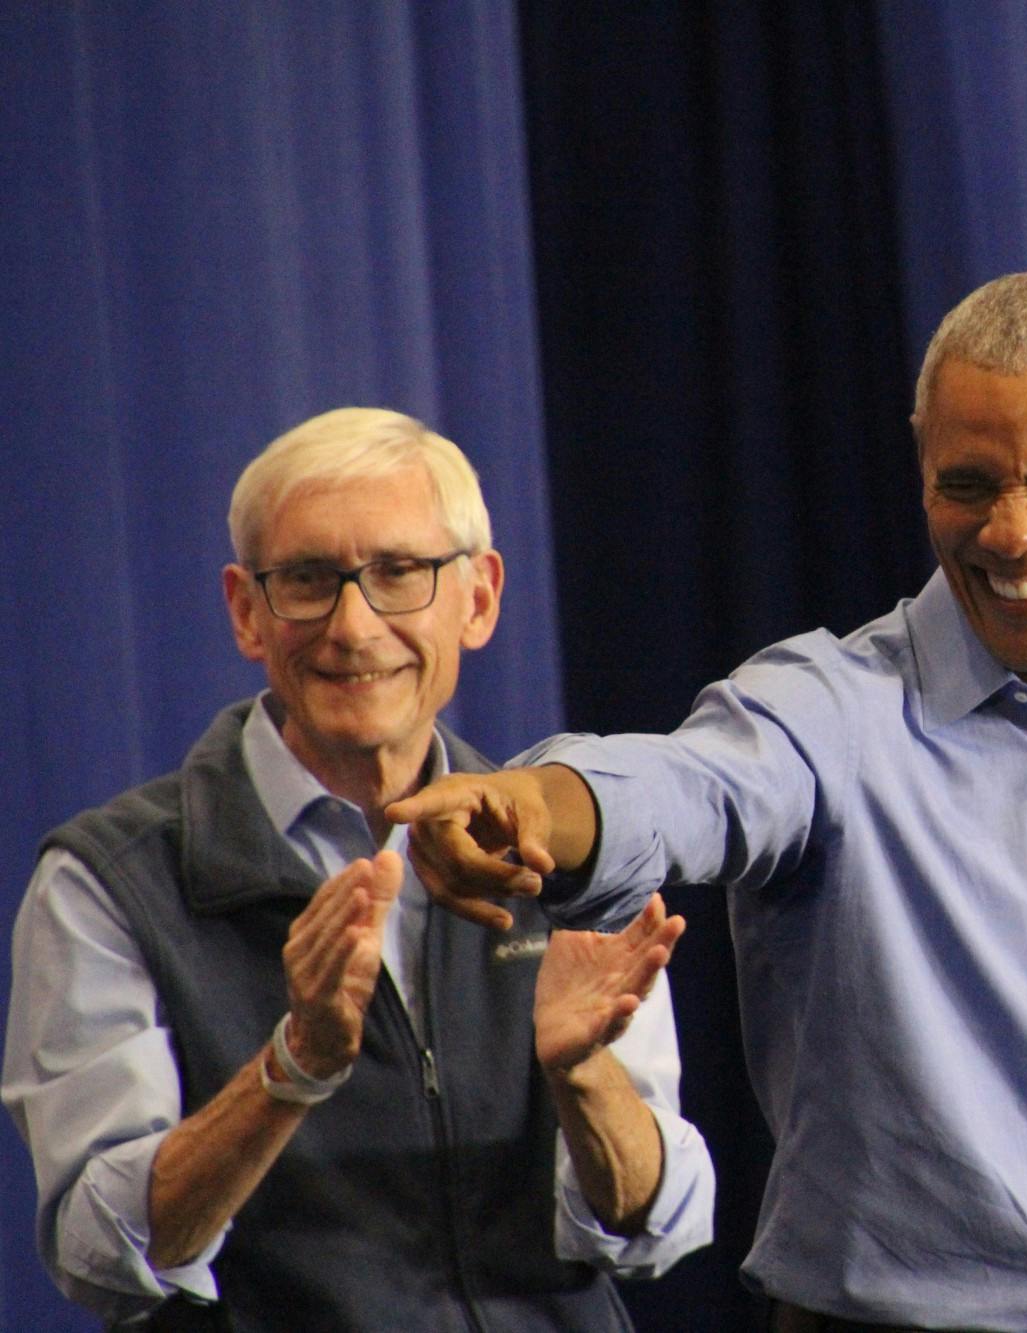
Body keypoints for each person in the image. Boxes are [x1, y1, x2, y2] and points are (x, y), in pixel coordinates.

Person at [387, 272, 1027, 1332]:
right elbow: (687, 785)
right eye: (965, 485)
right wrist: (535, 808)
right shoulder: (828, 712)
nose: (1009, 532)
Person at [2, 409, 714, 1330]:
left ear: (481, 598)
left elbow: (654, 1223)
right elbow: (102, 1250)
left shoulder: (559, 847)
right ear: (246, 612)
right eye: (307, 580)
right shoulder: (112, 880)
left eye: (398, 574)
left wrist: (583, 1075)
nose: (352, 624)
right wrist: (289, 1068)